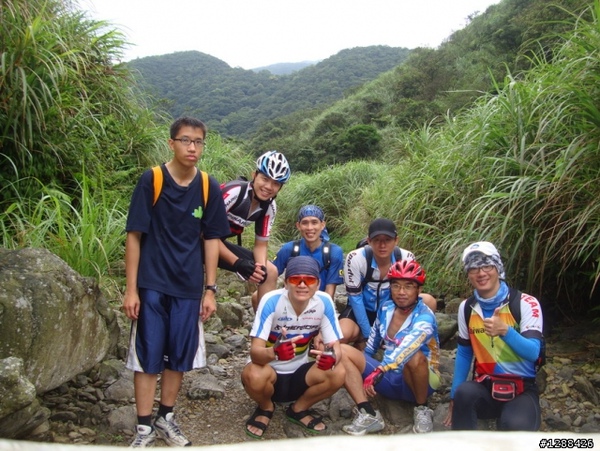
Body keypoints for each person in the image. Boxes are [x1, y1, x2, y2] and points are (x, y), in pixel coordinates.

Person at [123, 117, 231, 448]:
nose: (192, 147)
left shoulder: (208, 186)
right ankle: (143, 428)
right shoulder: (153, 179)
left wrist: (210, 290)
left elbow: (211, 239)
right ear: (171, 143)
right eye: (185, 140)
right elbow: (134, 235)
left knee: (178, 356)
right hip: (152, 284)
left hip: (188, 287)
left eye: (198, 142)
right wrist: (131, 289)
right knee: (148, 355)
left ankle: (165, 417)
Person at [443, 241, 544, 431]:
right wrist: (454, 397)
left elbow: (533, 352)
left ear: (498, 268)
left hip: (522, 389)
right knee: (464, 393)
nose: (481, 273)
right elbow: (464, 353)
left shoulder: (525, 303)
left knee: (514, 426)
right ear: (468, 274)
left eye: (487, 266)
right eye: (473, 268)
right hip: (485, 387)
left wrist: (506, 331)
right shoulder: (466, 308)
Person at [241, 256, 346, 439]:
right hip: (269, 373)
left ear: (318, 284)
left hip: (300, 374)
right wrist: (274, 352)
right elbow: (255, 353)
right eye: (296, 279)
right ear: (286, 283)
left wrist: (332, 357)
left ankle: (298, 409)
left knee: (338, 372)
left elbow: (336, 347)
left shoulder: (324, 301)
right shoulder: (271, 300)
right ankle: (266, 407)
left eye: (309, 280)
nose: (302, 285)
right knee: (252, 374)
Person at [341, 259, 441, 434]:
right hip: (389, 378)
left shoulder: (425, 316)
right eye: (396, 286)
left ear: (419, 290)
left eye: (408, 286)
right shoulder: (386, 308)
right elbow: (372, 342)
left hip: (420, 382)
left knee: (414, 356)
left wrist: (380, 370)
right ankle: (368, 413)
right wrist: (364, 368)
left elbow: (410, 345)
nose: (401, 292)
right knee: (342, 350)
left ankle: (422, 408)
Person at [339, 218, 437, 348]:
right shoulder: (355, 258)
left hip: (392, 309)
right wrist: (369, 334)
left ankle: (407, 337)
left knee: (429, 301)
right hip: (363, 309)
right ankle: (361, 336)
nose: (382, 245)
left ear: (396, 240)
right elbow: (355, 299)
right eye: (377, 240)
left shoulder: (406, 257)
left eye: (387, 240)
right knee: (343, 334)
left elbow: (411, 292)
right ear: (369, 241)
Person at [218, 150, 291, 312]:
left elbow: (261, 245)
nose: (268, 187)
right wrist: (238, 263)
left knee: (270, 271)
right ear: (254, 175)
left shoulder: (269, 206)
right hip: (196, 239)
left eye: (276, 184)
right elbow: (206, 235)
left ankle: (264, 324)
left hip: (217, 244)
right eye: (265, 179)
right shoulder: (234, 192)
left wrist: (260, 269)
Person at [251, 205, 344, 308]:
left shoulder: (334, 252)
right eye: (305, 223)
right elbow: (270, 274)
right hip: (292, 299)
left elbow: (329, 293)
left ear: (322, 225)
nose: (309, 228)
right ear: (298, 226)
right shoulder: (289, 249)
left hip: (317, 300)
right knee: (256, 297)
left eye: (314, 222)